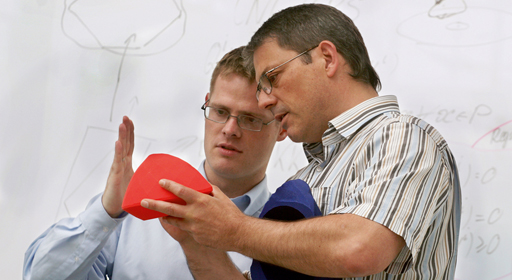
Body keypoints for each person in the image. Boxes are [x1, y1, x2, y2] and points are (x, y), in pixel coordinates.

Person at [141, 3, 462, 280]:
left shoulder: (403, 137)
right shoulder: (304, 180)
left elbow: (358, 249)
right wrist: (195, 242)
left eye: (272, 79)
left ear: (327, 57)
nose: (264, 101)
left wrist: (234, 229)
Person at [23, 46, 287, 280]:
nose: (230, 129)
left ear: (282, 126)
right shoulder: (138, 206)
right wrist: (107, 211)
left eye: (250, 119)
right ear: (207, 105)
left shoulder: (289, 236)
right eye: (220, 111)